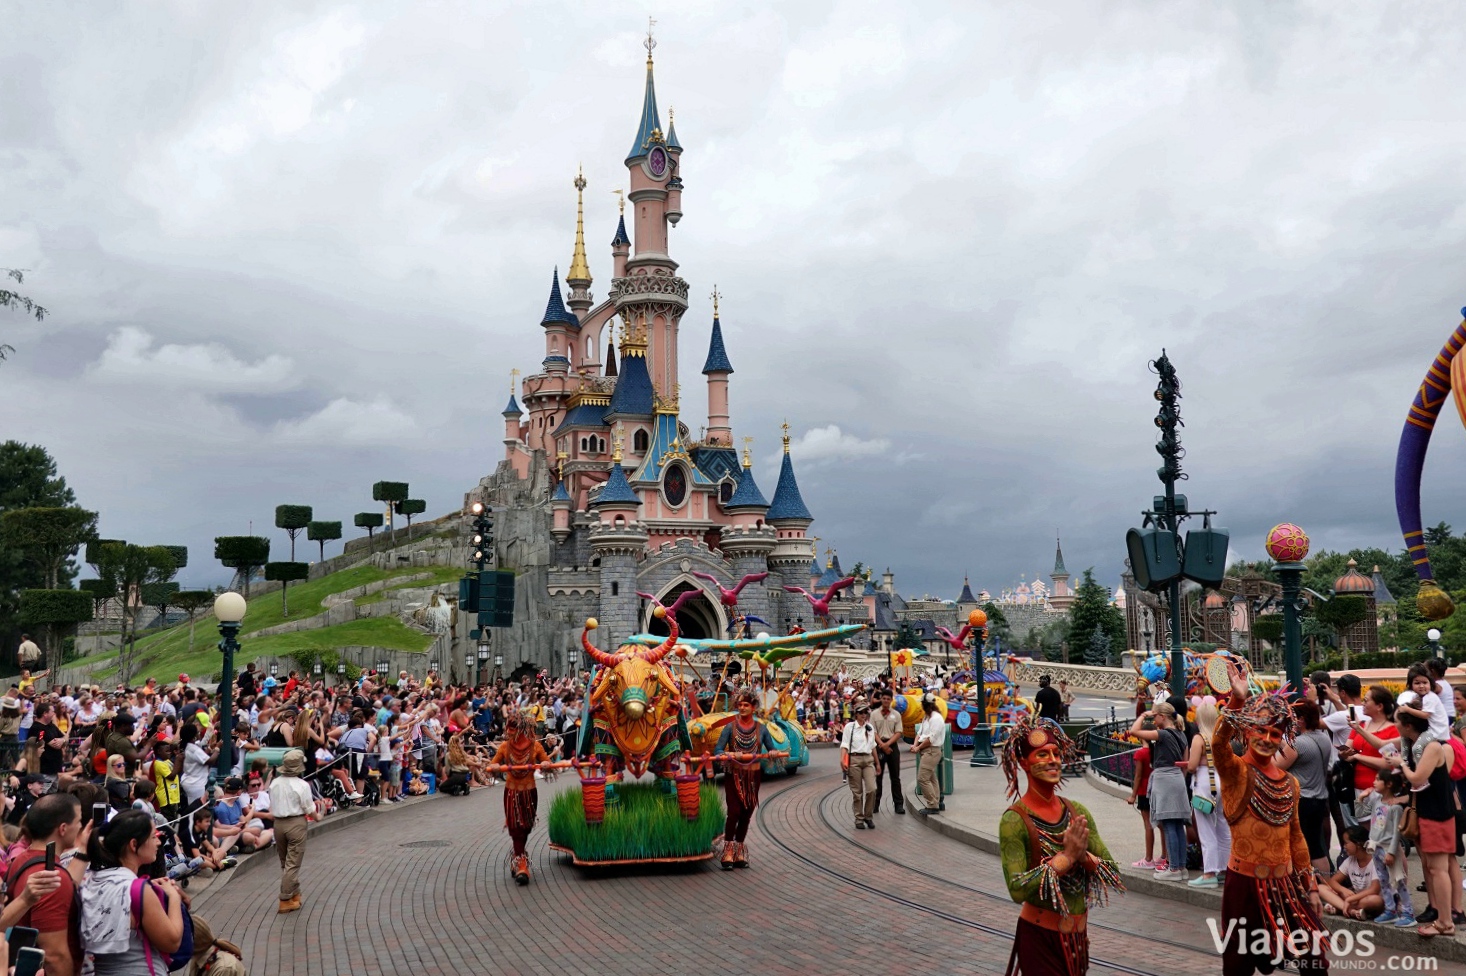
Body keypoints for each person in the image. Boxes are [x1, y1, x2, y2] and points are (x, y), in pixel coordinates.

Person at [1216, 665, 1326, 973]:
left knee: (1314, 958)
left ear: (1281, 739)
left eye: (1274, 733)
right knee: (1238, 964)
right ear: (1248, 732)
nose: (1267, 738)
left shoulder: (1290, 782)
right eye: (1260, 730)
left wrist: (1311, 886)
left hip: (1287, 885)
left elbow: (1296, 836)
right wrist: (1236, 702)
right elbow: (1218, 745)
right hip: (1244, 884)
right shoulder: (1236, 772)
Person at [998, 716, 1121, 976]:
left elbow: (1113, 873)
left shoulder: (1077, 812)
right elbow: (1017, 889)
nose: (1053, 760)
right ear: (1024, 764)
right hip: (1040, 937)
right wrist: (1065, 858)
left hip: (1077, 940)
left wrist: (1083, 857)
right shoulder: (1014, 820)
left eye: (1055, 753)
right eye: (1042, 754)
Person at [80, 810, 186, 974]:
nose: (158, 842)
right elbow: (172, 942)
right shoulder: (138, 890)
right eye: (152, 837)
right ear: (134, 845)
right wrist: (173, 897)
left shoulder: (92, 881)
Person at [1388, 707, 1457, 937]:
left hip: (1437, 814)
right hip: (1430, 813)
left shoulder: (1432, 746)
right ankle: (1444, 919)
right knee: (1433, 868)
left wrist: (1402, 763)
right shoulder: (1418, 745)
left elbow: (1418, 778)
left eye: (1397, 721)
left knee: (1438, 870)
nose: (1394, 725)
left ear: (1408, 725)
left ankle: (1446, 922)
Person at [7, 793, 85, 976]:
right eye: (79, 821)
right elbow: (54, 955)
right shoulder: (49, 877)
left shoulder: (21, 860)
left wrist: (84, 851)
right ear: (63, 828)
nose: (81, 826)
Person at [713, 690, 782, 870]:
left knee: (747, 812)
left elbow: (772, 748)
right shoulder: (729, 727)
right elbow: (718, 750)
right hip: (734, 774)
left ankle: (740, 849)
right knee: (734, 811)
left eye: (746, 705)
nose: (742, 708)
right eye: (740, 705)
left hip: (753, 776)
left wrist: (773, 753)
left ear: (753, 707)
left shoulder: (762, 728)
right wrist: (728, 754)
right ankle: (728, 850)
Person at [1127, 702, 1191, 882]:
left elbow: (1134, 732)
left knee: (1169, 823)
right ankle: (1181, 866)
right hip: (1178, 778)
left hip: (1165, 779)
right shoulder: (1182, 735)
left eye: (1155, 716)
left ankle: (1173, 868)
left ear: (1163, 717)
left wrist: (1142, 716)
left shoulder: (1163, 734)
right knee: (1178, 825)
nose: (1153, 720)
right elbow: (1185, 763)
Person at [489, 712, 551, 885]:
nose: (508, 731)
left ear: (521, 729)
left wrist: (546, 765)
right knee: (516, 827)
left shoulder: (535, 746)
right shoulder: (504, 747)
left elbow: (546, 762)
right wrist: (494, 766)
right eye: (508, 727)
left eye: (513, 728)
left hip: (529, 793)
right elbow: (494, 763)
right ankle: (521, 863)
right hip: (511, 792)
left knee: (526, 827)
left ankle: (518, 856)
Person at [1277, 699, 1333, 874]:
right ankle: (1327, 883)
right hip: (1320, 798)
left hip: (1303, 800)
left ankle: (1305, 883)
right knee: (1316, 845)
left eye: (1293, 717)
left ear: (1300, 720)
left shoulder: (1298, 744)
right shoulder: (1323, 738)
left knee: (1300, 844)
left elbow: (1276, 766)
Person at [1183, 697, 1230, 888]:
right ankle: (1225, 869)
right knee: (1223, 828)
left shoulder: (1199, 738)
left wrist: (1188, 765)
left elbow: (1193, 765)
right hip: (1222, 782)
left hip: (1204, 783)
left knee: (1206, 829)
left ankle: (1209, 872)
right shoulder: (1221, 737)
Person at [1360, 767, 1412, 926]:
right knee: (1383, 880)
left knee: (1398, 880)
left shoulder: (1395, 807)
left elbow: (1397, 832)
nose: (1374, 782)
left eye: (1377, 779)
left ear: (1388, 784)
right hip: (1375, 846)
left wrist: (1391, 852)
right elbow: (1360, 814)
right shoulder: (1376, 800)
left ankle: (1408, 912)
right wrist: (1360, 799)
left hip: (1388, 847)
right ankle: (1390, 910)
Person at [269, 749, 313, 915]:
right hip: (295, 823)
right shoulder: (302, 785)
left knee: (285, 861)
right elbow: (309, 807)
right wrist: (318, 815)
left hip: (278, 824)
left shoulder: (274, 783)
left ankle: (295, 893)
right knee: (293, 862)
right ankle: (285, 898)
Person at [1318, 825, 1382, 919]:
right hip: (1355, 898)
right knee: (1320, 888)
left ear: (1358, 844)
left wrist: (1350, 899)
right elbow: (1333, 881)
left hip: (1368, 898)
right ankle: (1351, 911)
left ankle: (1340, 907)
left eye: (1346, 843)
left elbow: (1374, 890)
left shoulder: (1376, 861)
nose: (1344, 847)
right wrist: (1343, 890)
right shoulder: (1350, 860)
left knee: (1375, 900)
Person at [839, 699, 877, 830]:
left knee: (872, 789)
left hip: (868, 760)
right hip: (854, 759)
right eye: (860, 712)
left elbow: (873, 746)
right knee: (857, 792)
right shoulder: (850, 727)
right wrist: (842, 760)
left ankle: (868, 816)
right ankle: (859, 818)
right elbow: (844, 745)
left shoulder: (870, 728)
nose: (863, 714)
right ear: (856, 714)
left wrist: (877, 763)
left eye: (865, 712)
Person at [869, 688, 904, 816]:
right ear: (881, 699)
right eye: (884, 698)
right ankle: (875, 805)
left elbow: (898, 732)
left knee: (895, 777)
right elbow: (872, 731)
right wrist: (882, 745)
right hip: (879, 746)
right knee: (878, 776)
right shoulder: (874, 714)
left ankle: (899, 805)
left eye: (888, 699)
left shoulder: (896, 715)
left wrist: (888, 744)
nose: (886, 701)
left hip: (892, 746)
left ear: (891, 700)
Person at [1126, 738, 1159, 869]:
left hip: (1144, 790)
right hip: (1157, 788)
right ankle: (1164, 856)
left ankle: (1148, 859)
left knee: (1148, 824)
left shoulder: (1141, 753)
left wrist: (1133, 795)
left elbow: (1138, 775)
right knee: (1161, 825)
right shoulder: (1156, 751)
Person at [912, 696, 946, 814]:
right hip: (926, 750)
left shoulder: (936, 719)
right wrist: (915, 745)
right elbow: (919, 733)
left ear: (926, 705)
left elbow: (931, 739)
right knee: (931, 777)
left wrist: (918, 747)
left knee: (922, 778)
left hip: (932, 750)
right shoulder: (927, 717)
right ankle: (936, 801)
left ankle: (932, 804)